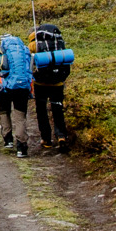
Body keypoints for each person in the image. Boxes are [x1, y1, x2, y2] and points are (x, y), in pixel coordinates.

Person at [30, 22, 73, 150]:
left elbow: (29, 64)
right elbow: (66, 64)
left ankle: (46, 139)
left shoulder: (33, 45)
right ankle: (61, 136)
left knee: (41, 111)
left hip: (40, 84)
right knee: (57, 109)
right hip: (58, 84)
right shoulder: (59, 43)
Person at [0, 32, 35, 154]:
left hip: (5, 88)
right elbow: (29, 71)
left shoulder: (0, 53)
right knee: (20, 117)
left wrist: (1, 84)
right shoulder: (25, 51)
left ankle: (8, 140)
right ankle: (21, 147)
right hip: (22, 88)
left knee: (4, 112)